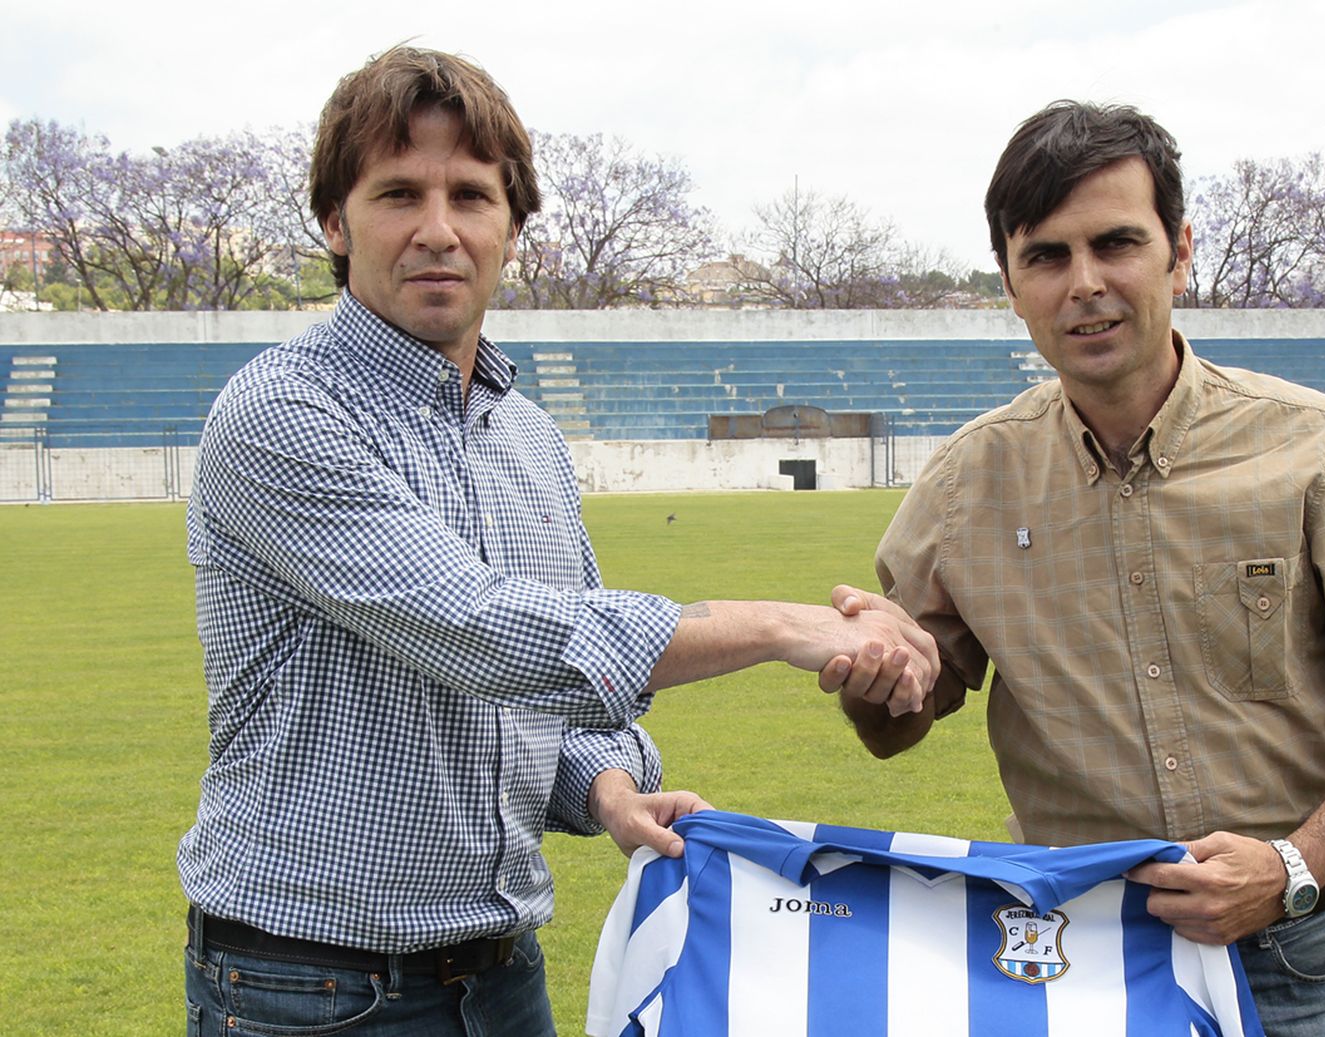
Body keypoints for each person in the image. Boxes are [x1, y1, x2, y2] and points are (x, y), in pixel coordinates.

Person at [179, 46, 934, 1037]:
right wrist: (784, 625)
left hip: (501, 974)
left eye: (471, 195)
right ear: (335, 221)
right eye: (399, 193)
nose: (439, 229)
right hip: (309, 989)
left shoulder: (526, 437)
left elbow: (561, 698)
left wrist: (610, 789)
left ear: (512, 226)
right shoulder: (283, 410)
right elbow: (481, 629)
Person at [825, 101, 1325, 1036]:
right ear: (1010, 283)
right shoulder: (967, 483)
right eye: (1047, 256)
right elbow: (897, 727)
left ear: (1180, 251)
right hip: (1080, 959)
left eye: (1116, 243)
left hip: (1301, 955)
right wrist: (878, 682)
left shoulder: (1320, 449)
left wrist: (1291, 865)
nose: (1085, 283)